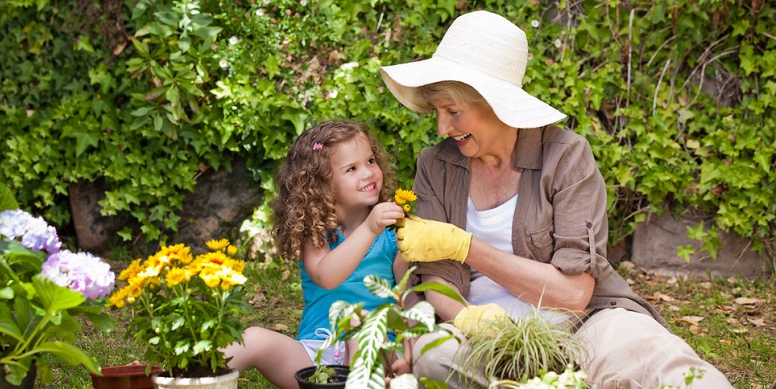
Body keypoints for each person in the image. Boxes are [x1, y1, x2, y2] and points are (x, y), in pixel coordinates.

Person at [379, 10, 733, 389]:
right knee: (435, 357)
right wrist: (478, 324)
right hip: (479, 330)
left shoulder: (566, 156)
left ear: (495, 103)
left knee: (667, 368)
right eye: (436, 112)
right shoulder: (436, 165)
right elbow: (437, 282)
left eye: (453, 112)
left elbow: (573, 293)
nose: (441, 127)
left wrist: (468, 247)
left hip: (583, 322)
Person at [222, 121, 409, 388]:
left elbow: (409, 296)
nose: (368, 173)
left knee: (359, 323)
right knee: (251, 339)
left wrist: (409, 352)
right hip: (313, 357)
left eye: (370, 161)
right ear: (322, 184)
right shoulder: (316, 231)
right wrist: (369, 229)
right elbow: (326, 276)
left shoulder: (393, 233)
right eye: (352, 169)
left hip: (374, 352)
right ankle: (194, 380)